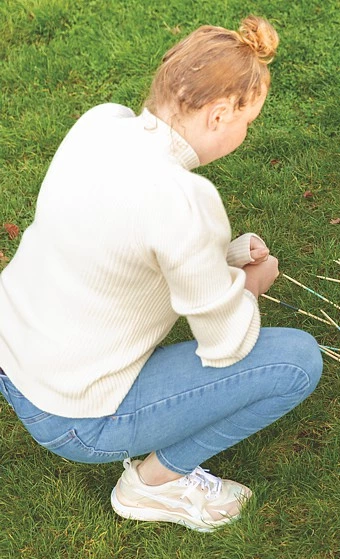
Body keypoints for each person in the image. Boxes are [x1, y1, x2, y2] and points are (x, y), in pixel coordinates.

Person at [0, 16, 322, 532]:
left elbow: (120, 244)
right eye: (248, 121)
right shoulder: (185, 202)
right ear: (220, 115)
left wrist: (223, 258)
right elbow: (227, 345)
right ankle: (155, 485)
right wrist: (251, 287)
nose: (246, 132)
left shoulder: (100, 124)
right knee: (298, 362)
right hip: (74, 417)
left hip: (14, 356)